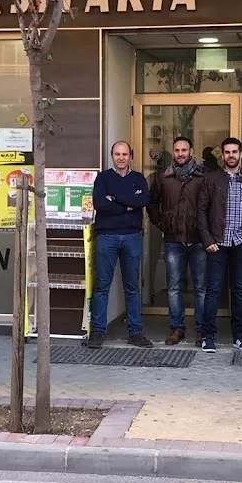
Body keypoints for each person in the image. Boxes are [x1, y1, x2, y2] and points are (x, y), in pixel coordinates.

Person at [197, 137, 242, 354]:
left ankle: (240, 336)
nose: (231, 155)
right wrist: (208, 240)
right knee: (213, 291)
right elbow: (202, 211)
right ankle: (208, 336)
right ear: (222, 155)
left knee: (239, 291)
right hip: (217, 243)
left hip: (239, 243)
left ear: (240, 154)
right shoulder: (211, 179)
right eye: (227, 152)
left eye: (235, 151)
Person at [86, 141, 153, 349]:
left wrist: (114, 198)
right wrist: (128, 203)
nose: (121, 158)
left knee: (132, 287)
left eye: (124, 154)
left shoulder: (138, 178)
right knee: (102, 286)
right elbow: (100, 204)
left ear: (130, 155)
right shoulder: (103, 178)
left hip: (132, 237)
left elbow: (143, 202)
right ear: (112, 156)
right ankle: (97, 332)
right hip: (107, 237)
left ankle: (135, 333)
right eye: (117, 154)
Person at [147, 136, 208, 346]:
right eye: (177, 150)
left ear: (191, 151)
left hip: (199, 240)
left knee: (201, 288)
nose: (180, 153)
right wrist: (163, 224)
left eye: (184, 150)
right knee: (174, 288)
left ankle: (202, 331)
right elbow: (152, 204)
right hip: (173, 240)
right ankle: (176, 329)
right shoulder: (163, 177)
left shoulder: (203, 176)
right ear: (173, 152)